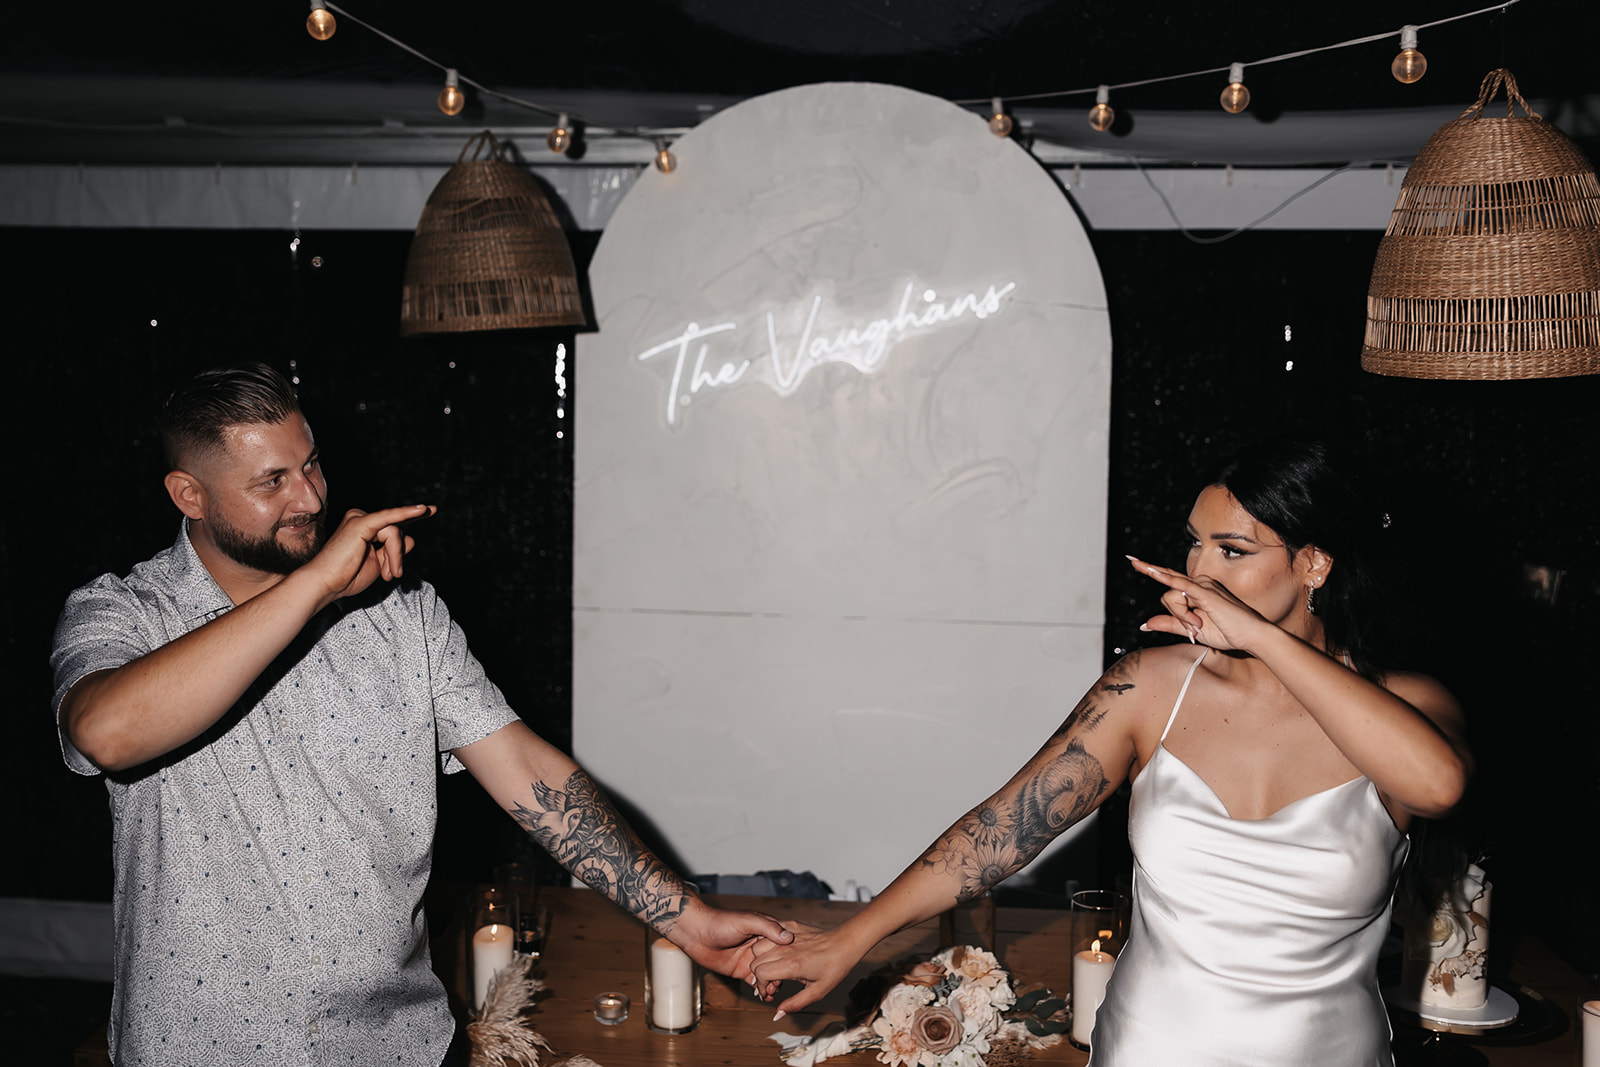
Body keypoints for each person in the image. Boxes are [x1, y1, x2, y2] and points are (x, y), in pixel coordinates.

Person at [52, 363, 790, 1067]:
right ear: (189, 494)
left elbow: (532, 776)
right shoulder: (122, 612)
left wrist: (689, 921)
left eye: (310, 464)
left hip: (396, 1044)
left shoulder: (402, 616)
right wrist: (316, 585)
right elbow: (106, 731)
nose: (308, 497)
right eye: (271, 480)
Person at [749, 439, 1470, 1066]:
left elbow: (1438, 786)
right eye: (1194, 541)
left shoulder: (1407, 704)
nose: (1198, 570)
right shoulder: (1150, 687)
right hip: (1148, 1049)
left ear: (1313, 565)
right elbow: (997, 833)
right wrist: (851, 939)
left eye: (1233, 550)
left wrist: (1261, 640)